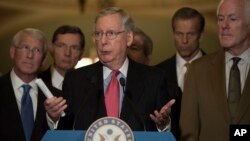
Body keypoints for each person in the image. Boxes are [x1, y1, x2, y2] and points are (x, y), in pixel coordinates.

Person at [45, 7, 175, 132]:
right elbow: (65, 130)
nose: (102, 41)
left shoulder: (154, 79)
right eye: (98, 34)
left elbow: (165, 128)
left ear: (128, 38)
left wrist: (163, 125)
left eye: (111, 33)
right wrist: (53, 118)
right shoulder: (75, 80)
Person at [180, 0, 250, 140]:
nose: (224, 25)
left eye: (232, 18)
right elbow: (188, 134)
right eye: (220, 19)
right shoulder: (197, 70)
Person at [0, 28, 63, 141]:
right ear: (12, 52)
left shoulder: (57, 98)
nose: (30, 55)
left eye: (37, 50)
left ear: (43, 59)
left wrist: (53, 119)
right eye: (25, 48)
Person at [155, 7, 206, 140]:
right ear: (173, 33)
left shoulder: (219, 70)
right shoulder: (157, 73)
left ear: (201, 35)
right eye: (179, 34)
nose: (184, 41)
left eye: (190, 34)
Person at [38, 25, 85, 90]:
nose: (67, 53)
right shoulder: (36, 82)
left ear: (82, 54)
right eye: (61, 46)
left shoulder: (91, 86)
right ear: (51, 48)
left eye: (74, 48)